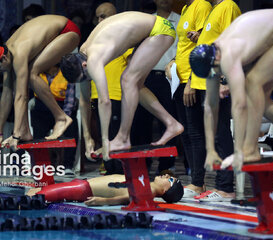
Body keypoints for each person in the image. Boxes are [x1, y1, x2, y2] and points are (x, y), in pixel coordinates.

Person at [189, 9, 273, 171]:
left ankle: (250, 150)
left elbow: (239, 105)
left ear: (216, 59)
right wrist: (210, 150)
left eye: (216, 72)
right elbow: (210, 106)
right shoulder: (213, 57)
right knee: (260, 94)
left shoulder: (227, 54)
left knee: (253, 84)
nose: (215, 76)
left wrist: (239, 152)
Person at [60, 12, 184, 161]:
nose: (89, 78)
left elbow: (104, 101)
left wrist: (105, 140)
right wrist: (91, 138)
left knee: (127, 80)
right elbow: (87, 99)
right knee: (136, 85)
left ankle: (123, 138)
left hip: (160, 30)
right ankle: (171, 124)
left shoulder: (93, 59)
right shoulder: (84, 50)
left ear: (84, 65)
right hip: (153, 30)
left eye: (86, 76)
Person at [0, 15, 81, 150]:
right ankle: (25, 131)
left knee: (32, 73)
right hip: (56, 31)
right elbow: (6, 96)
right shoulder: (7, 53)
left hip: (68, 31)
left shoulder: (19, 53)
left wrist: (15, 135)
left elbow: (21, 96)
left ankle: (61, 118)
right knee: (21, 80)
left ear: (3, 58)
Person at [185, 0, 241, 201]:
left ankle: (226, 187)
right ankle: (202, 183)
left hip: (219, 83)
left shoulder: (228, 6)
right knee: (204, 135)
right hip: (204, 83)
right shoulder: (214, 9)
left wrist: (225, 80)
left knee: (221, 134)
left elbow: (232, 44)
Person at [131, 0, 180, 174]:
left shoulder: (181, 21)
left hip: (169, 77)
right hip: (146, 75)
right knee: (140, 123)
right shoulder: (146, 21)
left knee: (168, 121)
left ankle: (166, 166)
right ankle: (142, 164)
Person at [173, 0, 211, 195]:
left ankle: (198, 181)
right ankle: (196, 181)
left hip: (192, 78)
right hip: (178, 79)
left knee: (195, 132)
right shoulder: (186, 8)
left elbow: (203, 45)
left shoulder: (202, 6)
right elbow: (184, 45)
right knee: (185, 133)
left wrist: (191, 81)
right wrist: (173, 62)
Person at [90, 2, 132, 174]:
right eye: (98, 17)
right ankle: (110, 175)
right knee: (103, 139)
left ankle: (121, 178)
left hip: (117, 97)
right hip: (98, 97)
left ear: (114, 17)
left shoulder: (123, 39)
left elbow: (132, 68)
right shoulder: (93, 40)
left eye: (104, 16)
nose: (100, 20)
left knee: (117, 141)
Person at [31, 64, 79, 177]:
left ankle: (68, 165)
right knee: (38, 130)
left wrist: (63, 120)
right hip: (42, 109)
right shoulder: (36, 73)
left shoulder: (67, 73)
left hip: (62, 110)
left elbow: (70, 101)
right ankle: (40, 165)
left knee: (72, 126)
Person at [26, 173, 184, 205]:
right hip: (82, 185)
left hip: (84, 189)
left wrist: (103, 201)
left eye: (170, 179)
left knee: (34, 195)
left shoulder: (147, 192)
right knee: (35, 193)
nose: (165, 175)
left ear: (165, 191)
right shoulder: (146, 186)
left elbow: (125, 198)